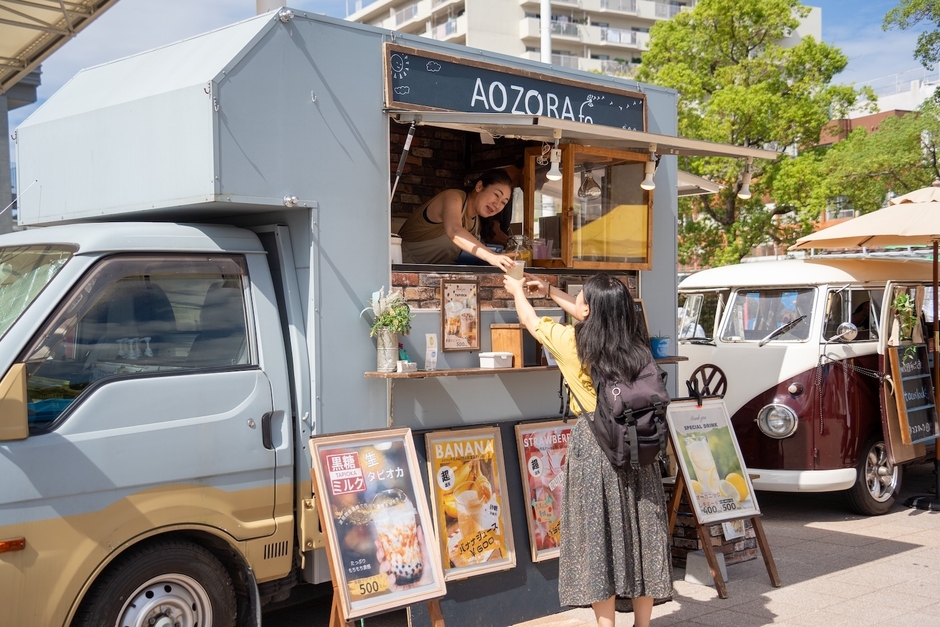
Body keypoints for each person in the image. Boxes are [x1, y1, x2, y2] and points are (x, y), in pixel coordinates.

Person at [504, 273, 673, 627]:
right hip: (639, 449)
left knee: (599, 539)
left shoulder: (573, 344)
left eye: (580, 297)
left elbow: (530, 320)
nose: (577, 302)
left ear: (587, 310)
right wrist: (550, 290)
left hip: (596, 447)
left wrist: (519, 290)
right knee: (644, 536)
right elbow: (590, 312)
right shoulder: (638, 346)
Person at [398, 169, 516, 271]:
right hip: (400, 268)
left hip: (428, 276)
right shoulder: (453, 197)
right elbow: (454, 230)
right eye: (496, 195)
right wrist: (491, 256)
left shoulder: (477, 223)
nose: (497, 204)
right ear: (479, 186)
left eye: (503, 202)